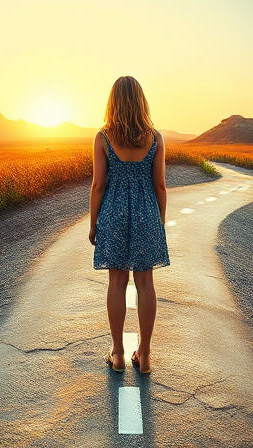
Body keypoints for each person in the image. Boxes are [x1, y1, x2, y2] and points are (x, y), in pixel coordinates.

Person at [89, 76, 170, 373]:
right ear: (141, 102)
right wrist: (158, 223)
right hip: (147, 214)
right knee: (145, 283)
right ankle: (145, 356)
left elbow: (98, 185)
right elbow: (160, 186)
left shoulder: (103, 138)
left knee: (117, 282)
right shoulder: (156, 138)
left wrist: (94, 223)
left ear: (113, 102)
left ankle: (119, 355)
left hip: (113, 214)